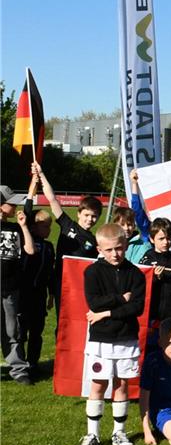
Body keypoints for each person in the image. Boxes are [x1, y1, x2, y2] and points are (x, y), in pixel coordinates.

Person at [75, 223, 146, 445]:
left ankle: (119, 432)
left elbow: (137, 308)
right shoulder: (92, 272)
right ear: (99, 248)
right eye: (109, 250)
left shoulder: (135, 273)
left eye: (119, 248)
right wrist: (120, 299)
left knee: (122, 384)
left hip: (126, 338)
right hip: (101, 340)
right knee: (98, 384)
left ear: (125, 245)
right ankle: (92, 434)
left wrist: (106, 313)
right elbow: (93, 302)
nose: (115, 254)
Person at [34, 162, 102, 315]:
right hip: (61, 283)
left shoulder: (96, 241)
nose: (90, 219)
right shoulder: (67, 224)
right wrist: (41, 174)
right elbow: (52, 199)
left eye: (94, 216)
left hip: (80, 286)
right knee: (62, 321)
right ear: (79, 213)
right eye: (86, 215)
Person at [1, 185, 35, 384]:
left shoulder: (15, 228)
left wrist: (23, 226)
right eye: (10, 203)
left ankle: (18, 370)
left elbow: (30, 250)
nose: (14, 206)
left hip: (10, 289)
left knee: (12, 330)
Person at [20, 199, 54, 371]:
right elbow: (26, 212)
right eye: (45, 226)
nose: (49, 230)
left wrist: (51, 295)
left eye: (49, 226)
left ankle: (33, 362)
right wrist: (33, 187)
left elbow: (50, 274)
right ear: (33, 227)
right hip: (23, 294)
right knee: (21, 331)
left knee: (37, 331)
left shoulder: (49, 247)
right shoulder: (25, 240)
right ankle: (19, 363)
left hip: (40, 296)